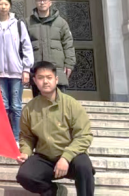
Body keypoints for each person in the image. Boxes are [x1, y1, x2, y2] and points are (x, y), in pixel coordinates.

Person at [16, 61, 95, 196]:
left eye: (49, 77)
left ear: (56, 80)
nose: (45, 81)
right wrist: (25, 152)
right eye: (41, 78)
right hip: (45, 158)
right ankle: (55, 191)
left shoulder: (71, 105)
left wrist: (66, 157)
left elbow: (84, 136)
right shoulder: (29, 109)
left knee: (84, 166)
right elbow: (27, 136)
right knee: (24, 175)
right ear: (34, 81)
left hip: (71, 158)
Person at [0, 0, 33, 142]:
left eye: (6, 4)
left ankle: (17, 138)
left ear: (10, 6)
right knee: (3, 106)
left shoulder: (18, 24)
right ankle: (4, 138)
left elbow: (27, 47)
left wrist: (26, 69)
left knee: (16, 106)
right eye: (0, 4)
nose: (3, 7)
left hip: (16, 71)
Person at [28, 0, 75, 97]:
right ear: (35, 2)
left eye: (45, 0)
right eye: (39, 0)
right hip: (37, 69)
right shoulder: (28, 22)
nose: (42, 3)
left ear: (50, 2)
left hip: (57, 69)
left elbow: (68, 44)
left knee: (59, 101)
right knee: (39, 103)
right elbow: (23, 46)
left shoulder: (61, 23)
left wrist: (69, 63)